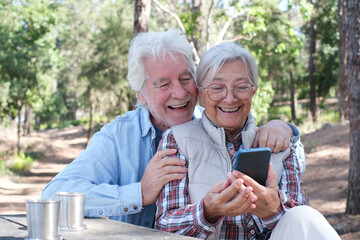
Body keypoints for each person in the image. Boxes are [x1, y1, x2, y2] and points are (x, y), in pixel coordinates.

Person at [41, 29, 299, 229]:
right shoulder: (118, 138)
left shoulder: (215, 123)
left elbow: (282, 160)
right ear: (141, 94)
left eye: (186, 79)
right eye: (163, 84)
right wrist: (138, 193)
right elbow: (52, 196)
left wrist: (285, 130)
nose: (180, 92)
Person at [155, 42, 340, 239]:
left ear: (254, 91)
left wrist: (273, 209)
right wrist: (207, 212)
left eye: (241, 87)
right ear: (201, 93)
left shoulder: (279, 143)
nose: (230, 98)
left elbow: (301, 226)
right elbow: (165, 225)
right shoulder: (178, 140)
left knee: (304, 215)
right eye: (217, 88)